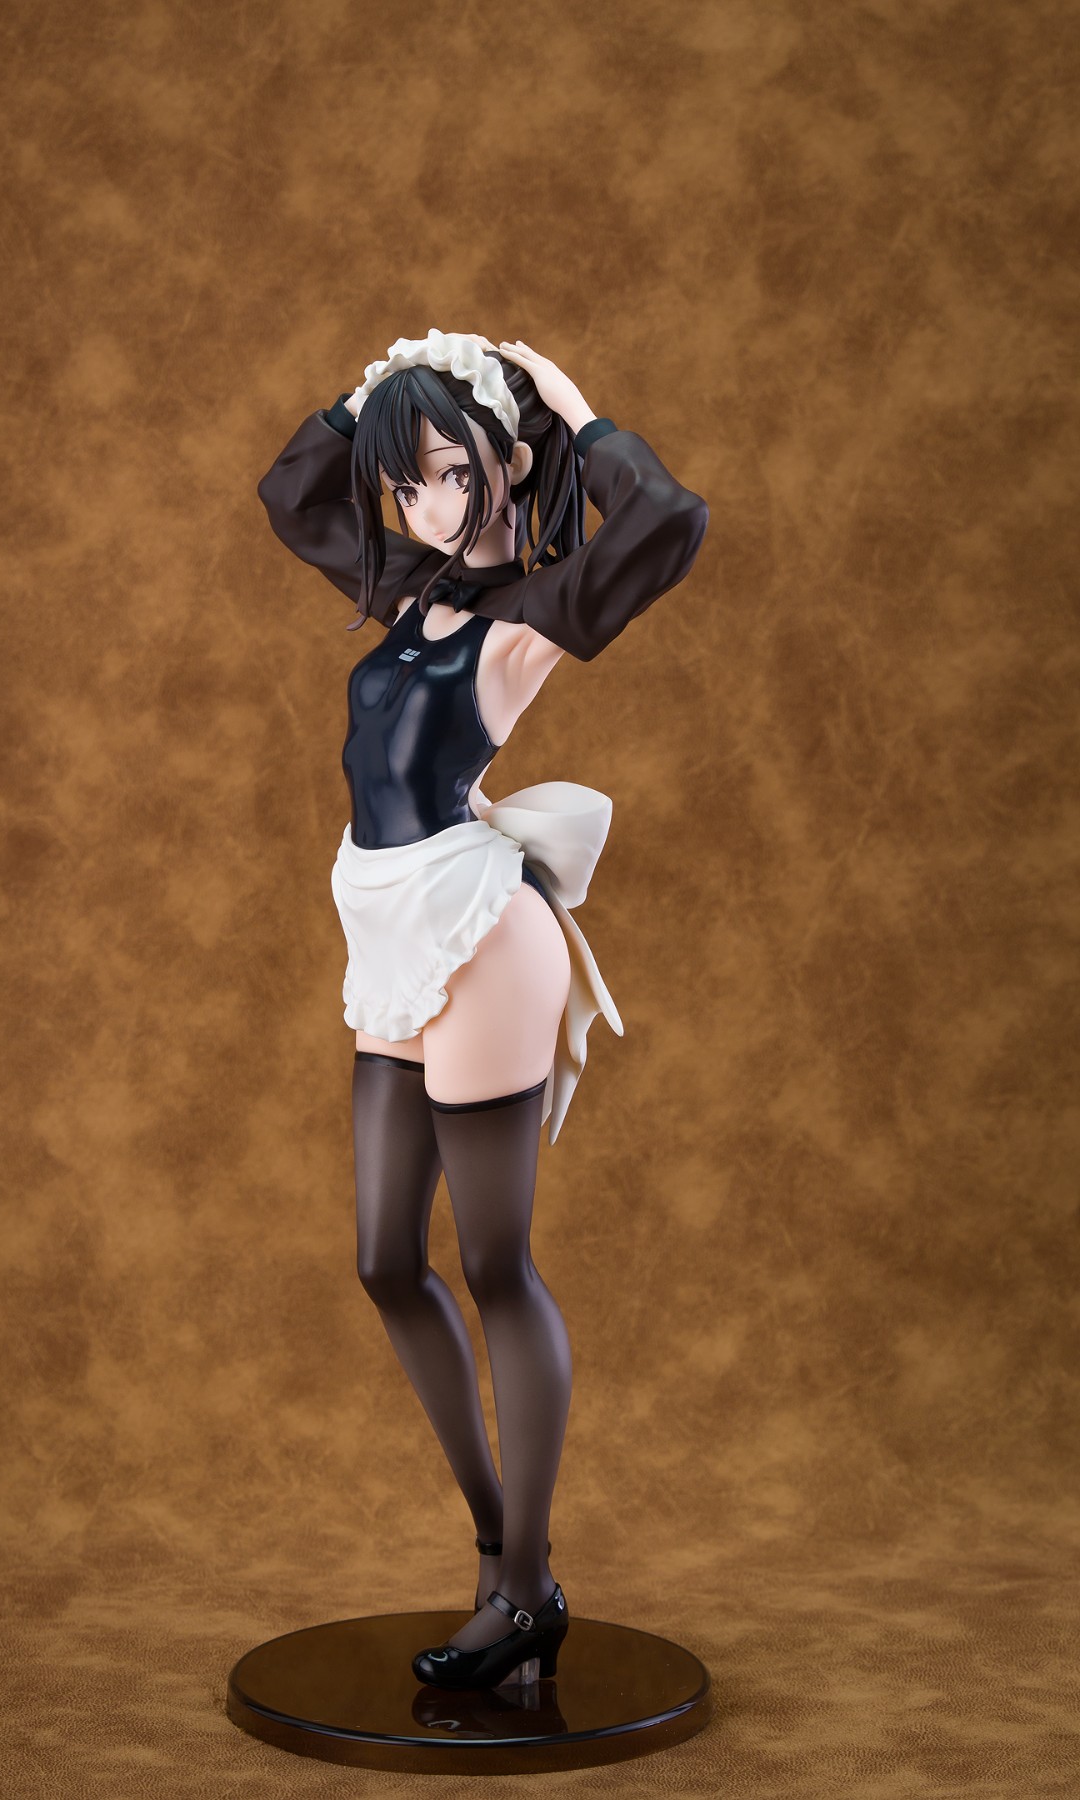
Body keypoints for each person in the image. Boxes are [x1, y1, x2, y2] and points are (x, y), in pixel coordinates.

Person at [257, 330, 709, 1690]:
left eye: (454, 472)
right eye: (407, 483)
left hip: (479, 928)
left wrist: (571, 407)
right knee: (385, 1260)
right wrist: (366, 397)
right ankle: (508, 1550)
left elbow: (668, 522)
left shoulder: (531, 613)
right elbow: (290, 496)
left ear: (507, 463)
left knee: (494, 1263)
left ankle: (519, 1593)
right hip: (388, 922)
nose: (427, 504)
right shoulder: (409, 584)